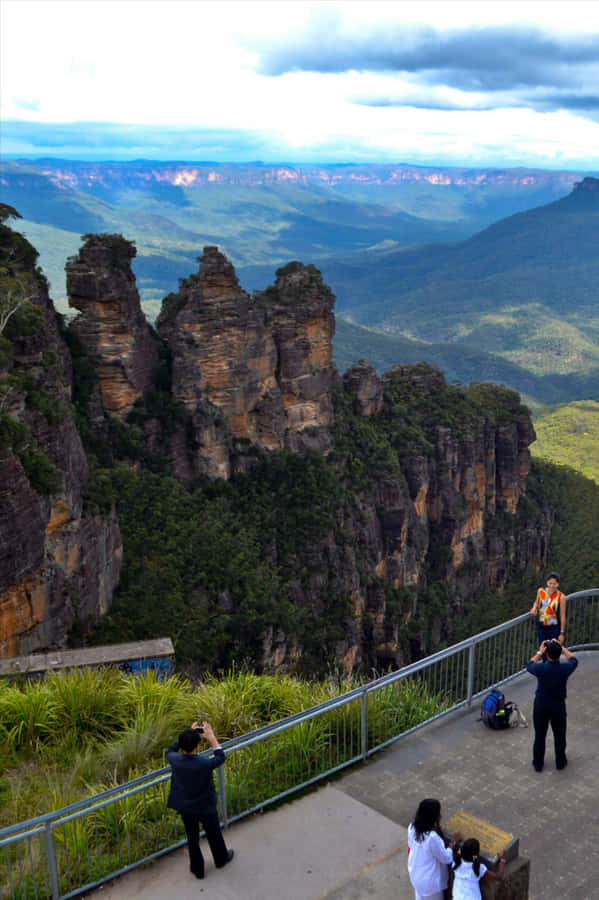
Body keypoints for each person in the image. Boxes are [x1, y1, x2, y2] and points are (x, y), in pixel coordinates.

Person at [166, 720, 234, 879]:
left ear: (182, 746)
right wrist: (211, 738)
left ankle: (198, 870)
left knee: (192, 838)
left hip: (186, 807)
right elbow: (220, 756)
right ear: (197, 746)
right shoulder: (203, 763)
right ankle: (221, 859)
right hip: (205, 805)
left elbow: (170, 749)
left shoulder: (174, 759)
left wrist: (187, 734)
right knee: (213, 833)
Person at [526, 639, 578, 771]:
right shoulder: (564, 668)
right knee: (560, 735)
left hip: (541, 705)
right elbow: (574, 660)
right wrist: (562, 647)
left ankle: (538, 764)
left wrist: (539, 651)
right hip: (558, 706)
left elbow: (530, 664)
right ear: (559, 653)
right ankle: (560, 762)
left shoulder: (541, 668)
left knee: (540, 735)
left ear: (547, 654)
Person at [407, 798, 461, 900]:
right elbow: (446, 858)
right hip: (430, 883)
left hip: (416, 876)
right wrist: (453, 843)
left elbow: (411, 846)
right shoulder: (432, 838)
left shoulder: (412, 827)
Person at [529, 572, 566, 648]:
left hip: (554, 627)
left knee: (553, 649)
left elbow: (562, 615)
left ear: (558, 584)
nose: (552, 586)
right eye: (550, 583)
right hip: (542, 626)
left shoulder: (561, 597)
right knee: (542, 647)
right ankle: (544, 660)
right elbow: (537, 602)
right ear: (547, 582)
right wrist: (534, 608)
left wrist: (561, 633)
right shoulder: (541, 591)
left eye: (554, 584)